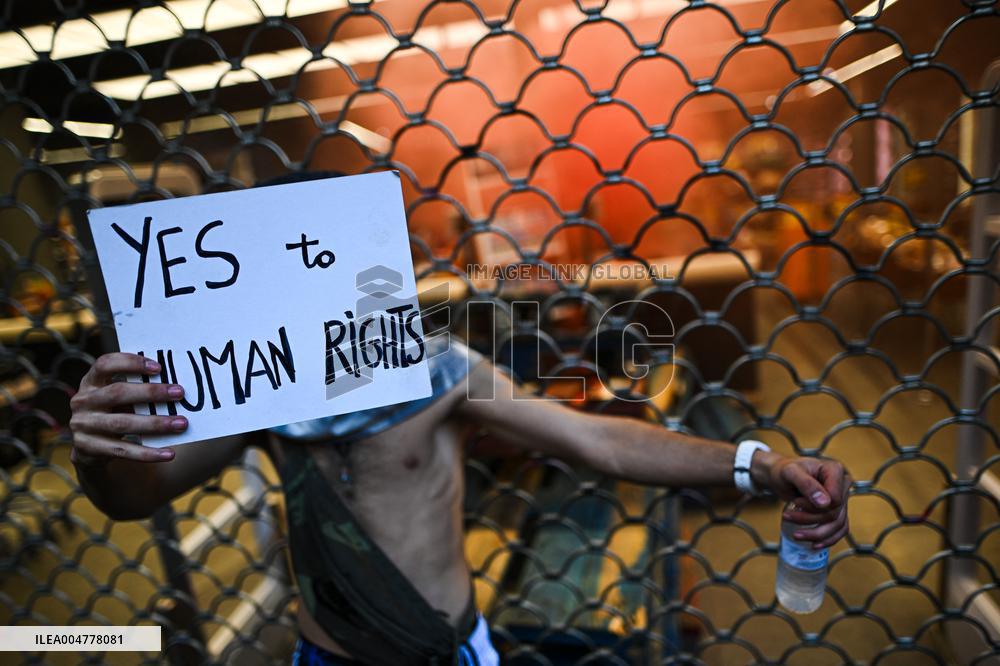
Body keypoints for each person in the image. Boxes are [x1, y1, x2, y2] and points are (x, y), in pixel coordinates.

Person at [70, 172, 850, 666]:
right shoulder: (269, 394)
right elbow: (131, 499)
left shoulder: (441, 374)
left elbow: (597, 439)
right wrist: (98, 449)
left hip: (442, 648)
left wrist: (758, 464)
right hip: (326, 654)